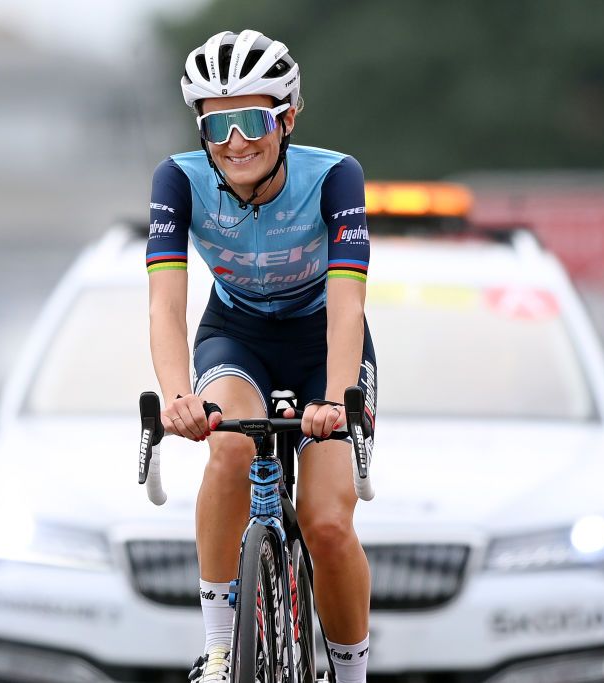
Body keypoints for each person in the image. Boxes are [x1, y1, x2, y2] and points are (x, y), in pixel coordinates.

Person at [147, 29, 377, 683]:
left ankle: (353, 673)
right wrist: (177, 397)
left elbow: (347, 305)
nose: (236, 142)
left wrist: (334, 398)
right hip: (237, 335)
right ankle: (221, 651)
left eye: (253, 119)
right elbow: (165, 305)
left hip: (321, 343)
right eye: (218, 125)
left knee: (327, 523)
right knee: (228, 447)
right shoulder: (178, 180)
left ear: (287, 118)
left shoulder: (335, 176)